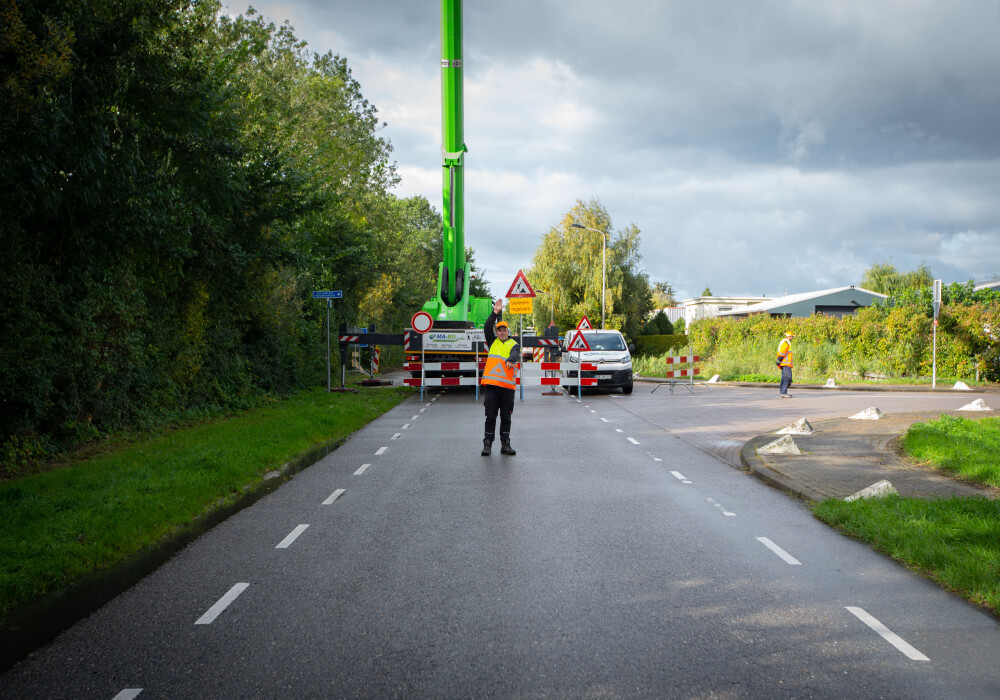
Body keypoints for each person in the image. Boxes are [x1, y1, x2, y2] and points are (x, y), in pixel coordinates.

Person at [480, 298, 520, 456]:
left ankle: (505, 445)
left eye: (505, 330)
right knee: (490, 417)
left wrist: (511, 361)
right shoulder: (492, 342)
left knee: (506, 417)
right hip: (492, 388)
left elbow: (515, 354)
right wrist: (495, 312)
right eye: (500, 330)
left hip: (507, 389)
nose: (502, 332)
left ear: (508, 332)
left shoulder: (513, 344)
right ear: (497, 332)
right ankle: (487, 445)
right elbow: (487, 326)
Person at [776, 331, 794, 398]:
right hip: (785, 364)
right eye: (792, 336)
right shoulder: (786, 343)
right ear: (789, 336)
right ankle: (783, 392)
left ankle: (783, 392)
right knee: (787, 378)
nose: (792, 338)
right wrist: (779, 360)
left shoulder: (786, 343)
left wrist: (778, 361)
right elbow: (782, 352)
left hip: (785, 364)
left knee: (785, 378)